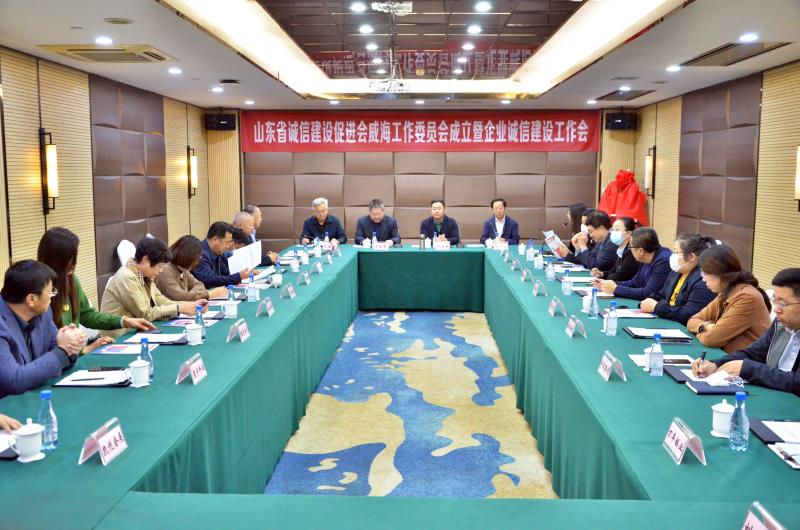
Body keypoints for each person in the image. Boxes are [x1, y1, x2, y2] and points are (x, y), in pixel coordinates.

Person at [37, 227, 155, 353]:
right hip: (62, 359)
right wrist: (85, 350)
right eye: (70, 258)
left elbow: (87, 315)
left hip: (72, 356)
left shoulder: (71, 280)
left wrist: (124, 321)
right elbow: (46, 347)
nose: (74, 264)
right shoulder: (39, 289)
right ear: (57, 260)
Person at [692, 268, 800, 396]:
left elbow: (796, 382)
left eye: (783, 303)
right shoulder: (779, 324)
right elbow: (755, 352)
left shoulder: (747, 297)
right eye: (775, 301)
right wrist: (715, 364)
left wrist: (748, 368)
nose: (776, 309)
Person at [0, 260, 86, 398]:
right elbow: (13, 381)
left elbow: (58, 351)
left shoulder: (42, 313)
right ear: (31, 300)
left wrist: (71, 342)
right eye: (50, 292)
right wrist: (64, 350)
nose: (53, 296)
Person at [101, 237, 201, 336]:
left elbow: (161, 300)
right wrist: (179, 308)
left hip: (136, 332)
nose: (161, 270)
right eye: (160, 266)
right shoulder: (126, 277)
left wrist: (190, 305)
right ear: (145, 260)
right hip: (119, 337)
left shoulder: (145, 276)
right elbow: (145, 314)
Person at [686, 245, 771, 353]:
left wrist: (702, 332)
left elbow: (712, 339)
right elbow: (691, 321)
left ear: (720, 273)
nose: (703, 279)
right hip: (730, 356)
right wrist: (707, 326)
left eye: (705, 273)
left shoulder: (747, 298)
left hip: (746, 361)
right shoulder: (726, 292)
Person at [638, 234, 716, 325]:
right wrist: (649, 301)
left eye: (676, 252)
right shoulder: (677, 271)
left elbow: (690, 314)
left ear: (691, 257)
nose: (672, 256)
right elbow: (662, 295)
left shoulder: (703, 280)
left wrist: (657, 307)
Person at [596, 227, 670, 301]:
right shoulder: (645, 257)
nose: (629, 249)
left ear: (640, 251)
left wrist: (616, 289)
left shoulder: (663, 261)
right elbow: (635, 283)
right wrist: (610, 284)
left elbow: (648, 293)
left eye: (630, 246)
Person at [155, 235, 228, 302]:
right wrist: (209, 294)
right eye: (196, 257)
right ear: (187, 255)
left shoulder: (183, 270)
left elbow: (199, 285)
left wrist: (189, 295)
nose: (197, 261)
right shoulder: (165, 270)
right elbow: (178, 297)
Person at [193, 222, 252, 288]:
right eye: (227, 242)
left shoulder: (217, 252)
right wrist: (238, 276)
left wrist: (245, 272)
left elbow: (225, 272)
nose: (228, 246)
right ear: (215, 240)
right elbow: (210, 280)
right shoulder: (200, 254)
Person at [590, 216, 639, 282]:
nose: (613, 232)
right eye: (612, 229)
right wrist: (601, 274)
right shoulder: (620, 250)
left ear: (628, 233)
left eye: (617, 230)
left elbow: (619, 277)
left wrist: (607, 277)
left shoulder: (631, 252)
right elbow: (613, 271)